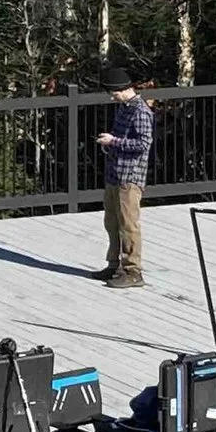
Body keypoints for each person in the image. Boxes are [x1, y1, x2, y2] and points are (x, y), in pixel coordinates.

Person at [92, 67, 154, 288]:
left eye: (113, 93)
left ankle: (132, 271)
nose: (112, 97)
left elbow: (144, 144)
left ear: (123, 89)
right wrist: (109, 146)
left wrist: (114, 142)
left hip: (130, 177)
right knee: (112, 222)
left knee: (128, 224)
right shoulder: (123, 108)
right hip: (115, 174)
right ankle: (114, 265)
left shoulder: (141, 112)